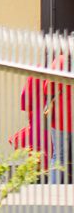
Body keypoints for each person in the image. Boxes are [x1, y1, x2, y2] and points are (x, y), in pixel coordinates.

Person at [44, 53, 72, 183]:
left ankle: (54, 190)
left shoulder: (60, 61)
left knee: (59, 157)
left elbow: (48, 88)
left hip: (61, 119)